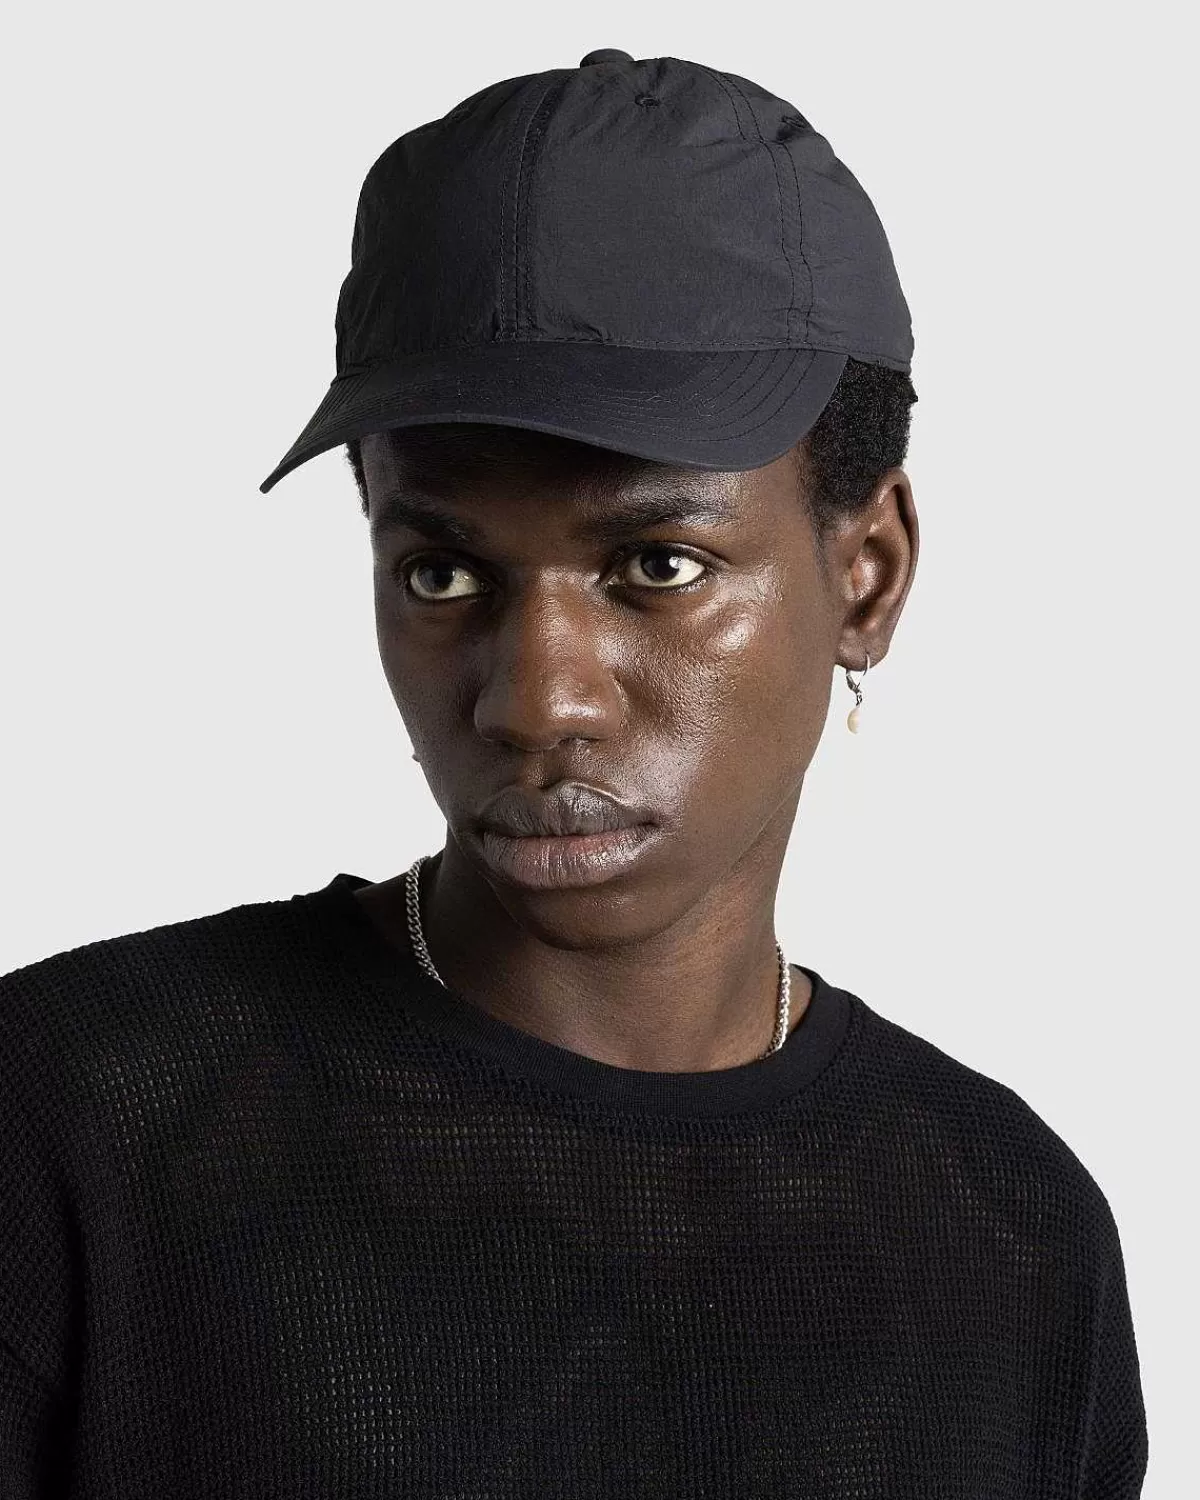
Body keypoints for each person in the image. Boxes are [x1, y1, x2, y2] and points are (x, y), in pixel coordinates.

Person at [0, 46, 1148, 1498]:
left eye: (657, 565)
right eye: (442, 571)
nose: (535, 701)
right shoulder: (70, 1132)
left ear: (866, 574)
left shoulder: (1012, 1236)